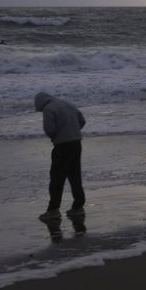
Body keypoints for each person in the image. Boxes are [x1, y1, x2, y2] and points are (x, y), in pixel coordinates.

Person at [34, 92, 87, 221]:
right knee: (75, 176)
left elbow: (49, 129)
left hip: (62, 146)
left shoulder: (49, 109)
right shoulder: (67, 103)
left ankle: (53, 210)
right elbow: (82, 120)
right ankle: (78, 207)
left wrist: (56, 136)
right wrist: (73, 131)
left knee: (57, 178)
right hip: (76, 143)